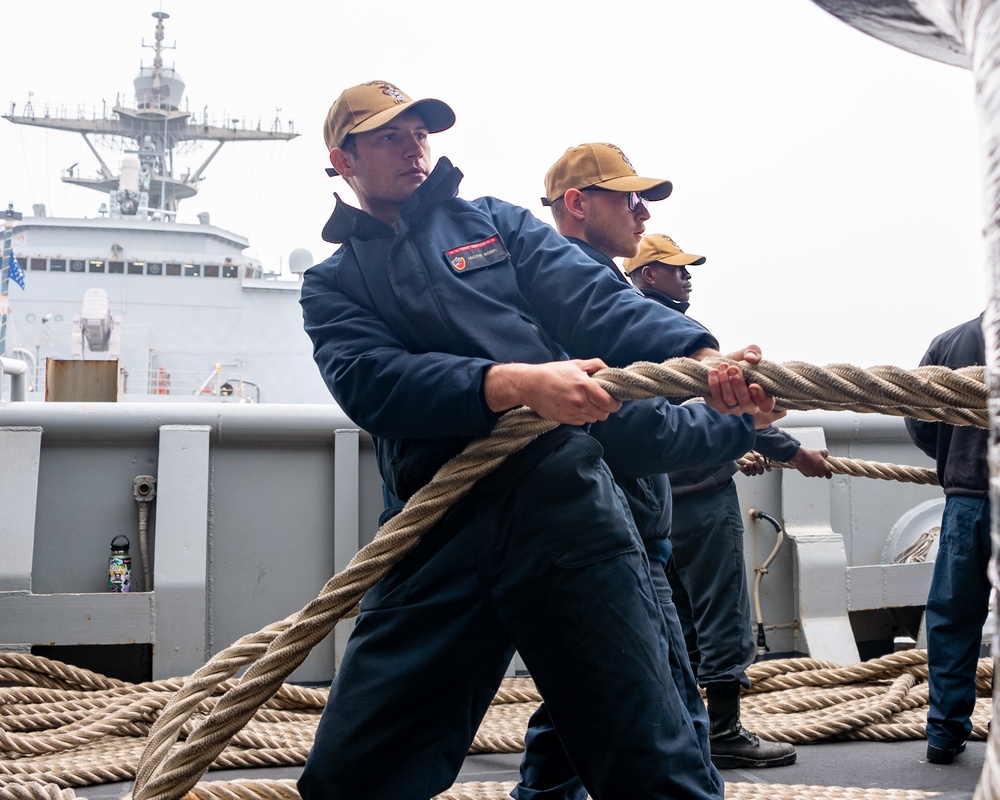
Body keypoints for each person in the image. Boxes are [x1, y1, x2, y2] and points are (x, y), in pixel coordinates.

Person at [297, 80, 777, 800]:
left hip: (564, 515)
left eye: (420, 132)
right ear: (344, 158)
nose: (414, 146)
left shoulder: (497, 225)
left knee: (655, 766)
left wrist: (701, 359)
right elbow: (372, 383)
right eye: (390, 135)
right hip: (436, 530)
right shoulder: (333, 284)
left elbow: (597, 301)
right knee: (351, 776)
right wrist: (514, 383)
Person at [513, 143, 784, 800]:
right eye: (626, 197)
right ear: (576, 204)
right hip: (612, 537)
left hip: (616, 531)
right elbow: (626, 434)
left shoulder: (588, 289)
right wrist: (740, 422)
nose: (641, 211)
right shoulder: (578, 297)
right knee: (669, 716)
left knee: (579, 707)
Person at [624, 233, 833, 769]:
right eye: (676, 269)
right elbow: (731, 407)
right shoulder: (666, 333)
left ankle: (688, 725)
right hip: (701, 500)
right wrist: (794, 452)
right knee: (722, 614)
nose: (687, 277)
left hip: (654, 504)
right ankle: (723, 729)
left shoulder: (619, 326)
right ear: (647, 275)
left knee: (680, 619)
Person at [904, 312, 989, 765]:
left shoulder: (950, 343)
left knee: (953, 617)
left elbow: (918, 419)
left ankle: (943, 733)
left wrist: (952, 451)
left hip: (968, 500)